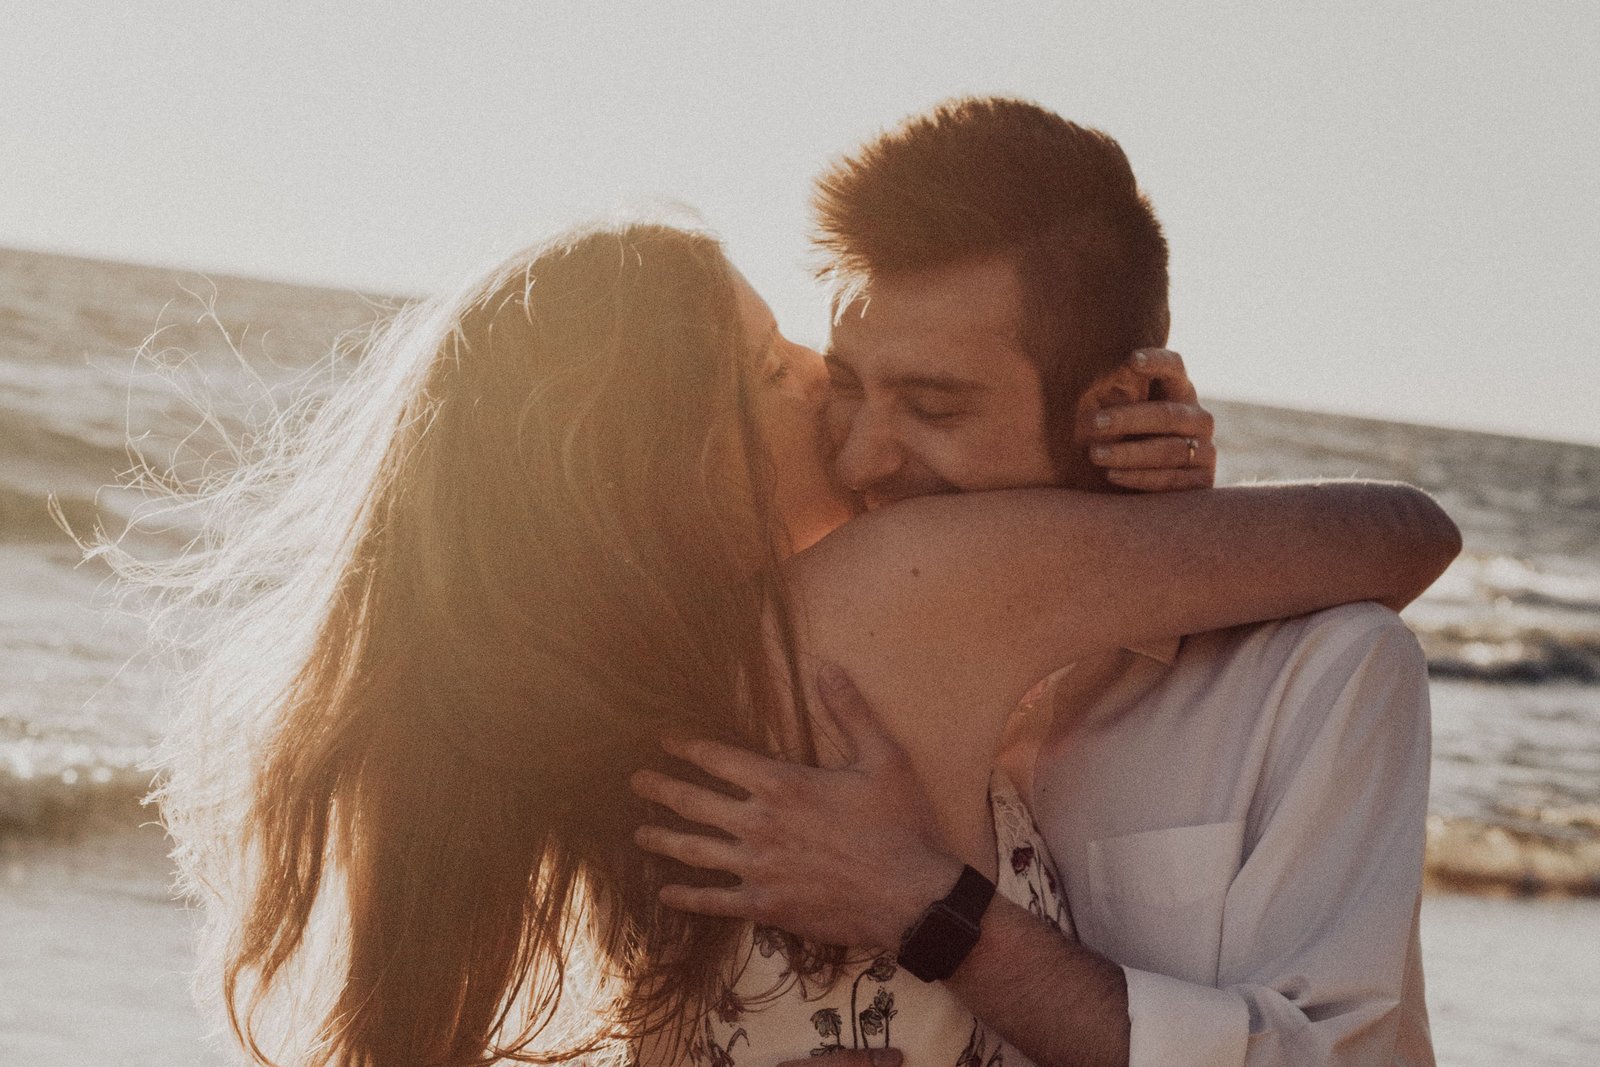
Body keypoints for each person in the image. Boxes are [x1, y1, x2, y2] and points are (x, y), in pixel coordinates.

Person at [142, 218, 1456, 1067]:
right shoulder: (899, 588)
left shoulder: (594, 727)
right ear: (670, 461)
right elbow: (1404, 534)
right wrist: (1143, 492)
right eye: (775, 369)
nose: (828, 387)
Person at [631, 98, 1446, 1066]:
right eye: (845, 382)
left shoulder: (1321, 675)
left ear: (1108, 407)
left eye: (933, 405)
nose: (858, 457)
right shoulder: (790, 629)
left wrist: (928, 906)